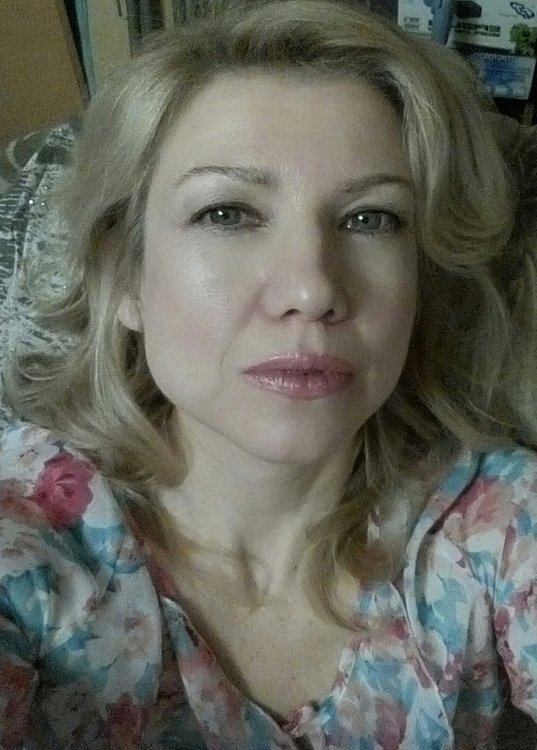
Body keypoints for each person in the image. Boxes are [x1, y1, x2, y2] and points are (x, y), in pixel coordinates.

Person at [1, 0, 537, 747]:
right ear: (124, 276)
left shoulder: (496, 525)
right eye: (227, 214)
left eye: (370, 219)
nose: (312, 289)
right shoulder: (26, 540)